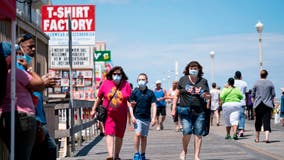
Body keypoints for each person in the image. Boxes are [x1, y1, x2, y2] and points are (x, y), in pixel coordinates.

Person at [0, 41, 44, 160]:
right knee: (23, 155)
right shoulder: (14, 73)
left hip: (5, 118)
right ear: (9, 56)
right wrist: (28, 68)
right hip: (23, 117)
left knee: (14, 154)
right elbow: (39, 84)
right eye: (15, 54)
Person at [17, 33, 57, 160]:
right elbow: (27, 86)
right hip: (31, 117)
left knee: (47, 150)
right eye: (30, 46)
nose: (33, 49)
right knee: (47, 150)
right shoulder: (19, 65)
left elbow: (34, 84)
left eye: (34, 47)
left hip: (37, 118)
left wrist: (42, 81)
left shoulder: (26, 65)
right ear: (20, 46)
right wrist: (42, 83)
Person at [171, 61, 211, 160]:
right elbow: (176, 94)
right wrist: (173, 108)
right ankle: (184, 150)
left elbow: (209, 96)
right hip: (185, 110)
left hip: (199, 111)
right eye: (192, 68)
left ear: (199, 70)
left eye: (195, 68)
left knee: (198, 134)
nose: (193, 70)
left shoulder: (203, 81)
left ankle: (196, 156)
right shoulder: (183, 80)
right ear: (188, 69)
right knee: (187, 131)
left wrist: (203, 94)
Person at [91, 66, 132, 160]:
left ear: (122, 75)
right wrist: (93, 109)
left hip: (122, 115)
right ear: (111, 74)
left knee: (119, 135)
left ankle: (116, 155)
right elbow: (99, 98)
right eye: (114, 74)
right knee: (109, 133)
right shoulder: (106, 83)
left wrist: (132, 110)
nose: (116, 76)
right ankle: (110, 155)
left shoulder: (126, 84)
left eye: (119, 74)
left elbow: (129, 100)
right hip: (109, 114)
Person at [129, 73, 157, 160]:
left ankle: (143, 154)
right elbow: (130, 105)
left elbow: (154, 105)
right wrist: (132, 116)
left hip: (146, 117)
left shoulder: (150, 93)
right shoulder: (135, 92)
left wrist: (154, 117)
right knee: (137, 134)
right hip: (137, 116)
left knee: (144, 137)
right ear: (137, 81)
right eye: (139, 80)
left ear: (147, 81)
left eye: (143, 79)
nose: (141, 81)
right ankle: (136, 153)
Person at [252, 70, 275, 143]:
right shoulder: (270, 83)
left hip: (258, 104)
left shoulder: (256, 83)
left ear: (260, 75)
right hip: (268, 105)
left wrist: (254, 104)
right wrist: (272, 105)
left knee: (258, 121)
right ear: (266, 75)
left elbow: (253, 95)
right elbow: (273, 95)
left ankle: (257, 139)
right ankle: (267, 138)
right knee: (267, 121)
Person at [234, 71, 247, 137]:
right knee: (242, 116)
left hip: (235, 101)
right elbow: (244, 92)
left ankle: (236, 130)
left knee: (235, 116)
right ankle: (241, 130)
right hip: (242, 101)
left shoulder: (233, 83)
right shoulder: (244, 83)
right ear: (240, 76)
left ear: (235, 76)